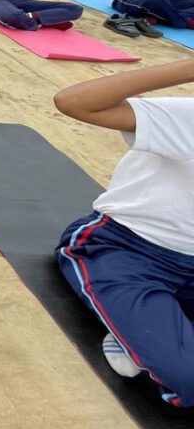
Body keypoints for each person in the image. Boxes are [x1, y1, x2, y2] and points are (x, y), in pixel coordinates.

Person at [53, 59, 194, 407]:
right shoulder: (187, 118)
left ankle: (149, 327)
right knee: (190, 379)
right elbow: (74, 101)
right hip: (127, 250)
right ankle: (134, 330)